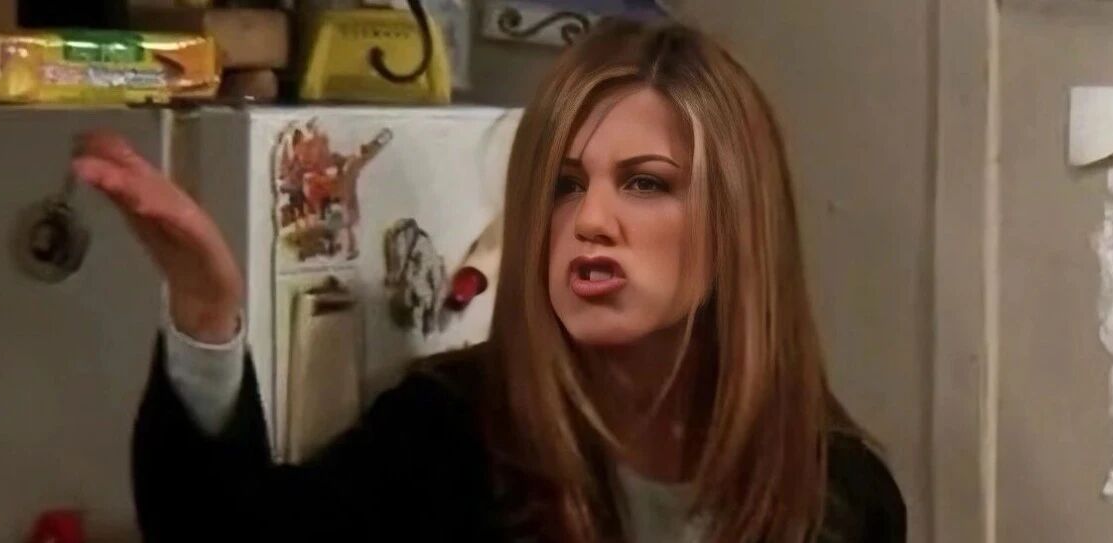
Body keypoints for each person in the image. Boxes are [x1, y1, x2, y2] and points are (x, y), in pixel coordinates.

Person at [72, 19, 906, 543]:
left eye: (645, 183)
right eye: (564, 185)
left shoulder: (838, 498)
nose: (591, 220)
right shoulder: (450, 435)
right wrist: (206, 309)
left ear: (738, 226)